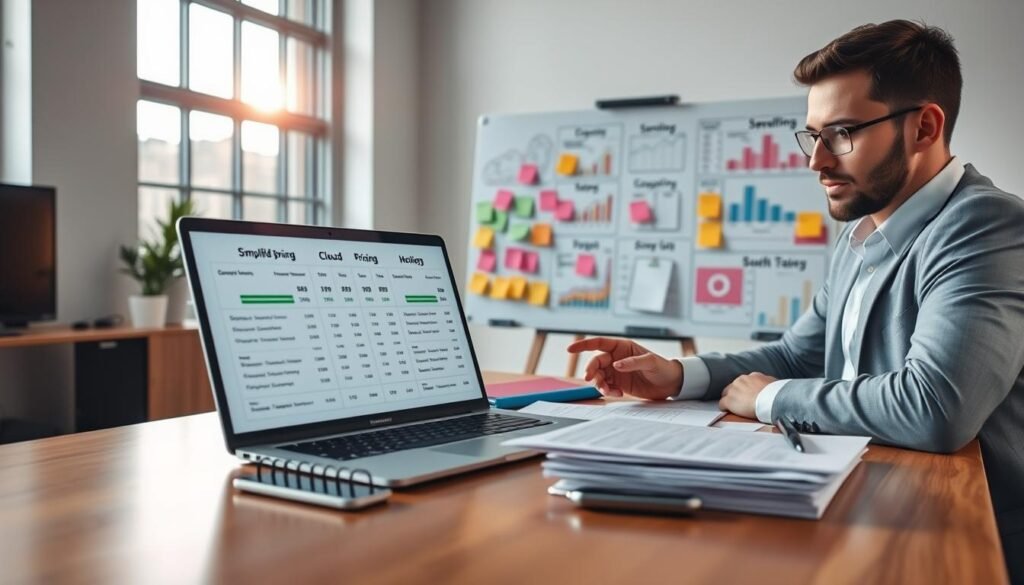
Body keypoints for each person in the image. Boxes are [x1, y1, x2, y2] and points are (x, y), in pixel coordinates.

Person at [568, 20, 1024, 582]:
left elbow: (935, 408)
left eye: (842, 133)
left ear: (924, 127)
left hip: (966, 538)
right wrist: (677, 375)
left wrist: (771, 398)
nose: (817, 162)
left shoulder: (984, 226)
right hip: (869, 499)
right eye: (813, 136)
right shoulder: (861, 233)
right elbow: (795, 356)